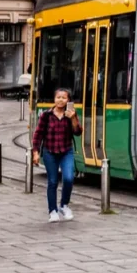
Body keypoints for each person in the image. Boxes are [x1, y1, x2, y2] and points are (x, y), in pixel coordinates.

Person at [31, 88, 83, 223]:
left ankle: (64, 205)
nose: (61, 100)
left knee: (69, 178)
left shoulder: (71, 114)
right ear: (54, 99)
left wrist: (73, 118)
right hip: (50, 152)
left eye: (64, 98)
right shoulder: (46, 115)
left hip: (66, 151)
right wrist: (35, 152)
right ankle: (52, 211)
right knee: (52, 182)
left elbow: (77, 132)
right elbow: (38, 134)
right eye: (58, 97)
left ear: (68, 100)